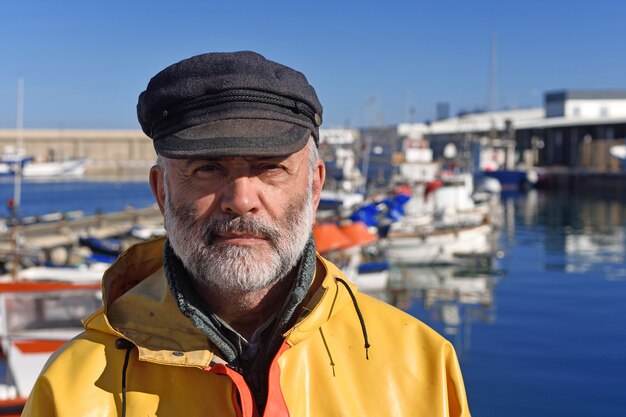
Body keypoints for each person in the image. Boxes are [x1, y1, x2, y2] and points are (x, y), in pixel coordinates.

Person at [22, 51, 471, 417]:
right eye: (207, 168)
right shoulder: (70, 392)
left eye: (270, 168)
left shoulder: (421, 365)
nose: (240, 198)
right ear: (161, 192)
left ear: (315, 186)